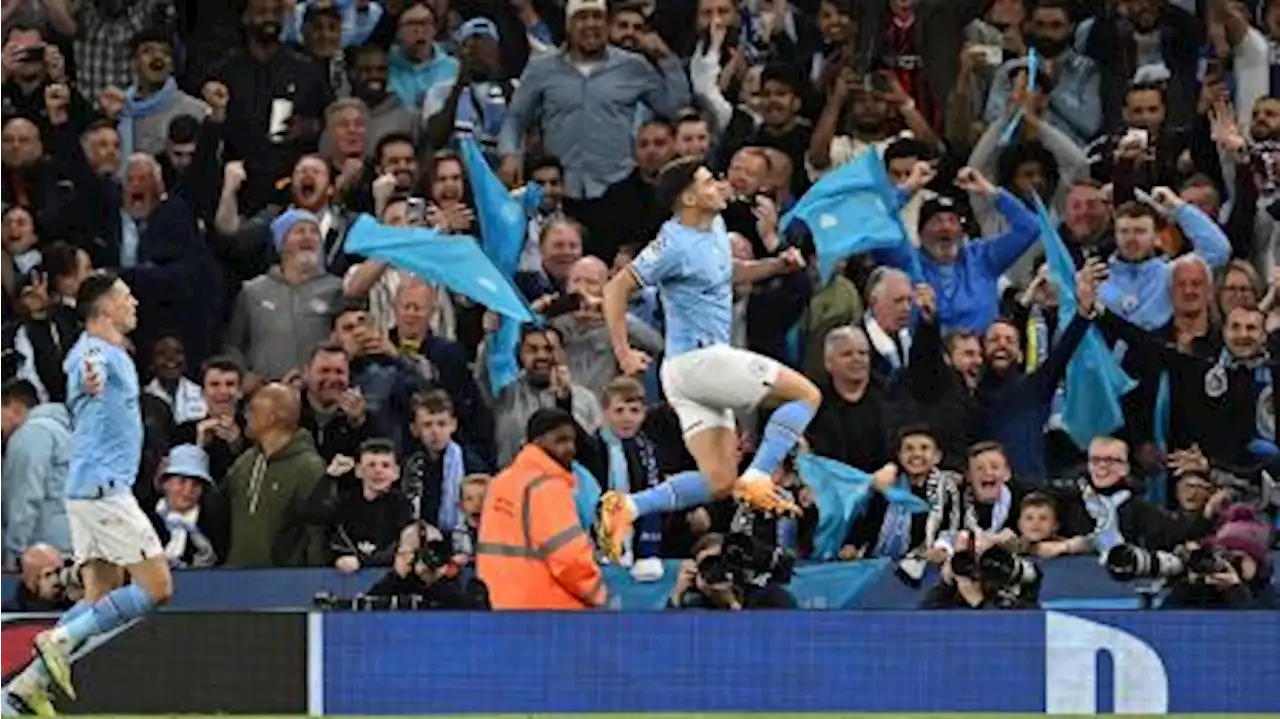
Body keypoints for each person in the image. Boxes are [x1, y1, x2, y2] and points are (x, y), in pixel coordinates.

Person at [597, 157, 820, 560]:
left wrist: (774, 265)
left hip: (690, 375)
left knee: (719, 481)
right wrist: (624, 352)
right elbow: (615, 289)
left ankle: (626, 507)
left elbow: (724, 271)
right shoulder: (673, 242)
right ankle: (758, 476)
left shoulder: (715, 227)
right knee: (805, 395)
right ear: (688, 197)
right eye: (708, 182)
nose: (720, 185)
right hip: (700, 360)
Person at [3, 272, 173, 715]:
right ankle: (57, 640)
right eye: (125, 296)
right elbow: (87, 367)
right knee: (157, 588)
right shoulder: (96, 352)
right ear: (105, 309)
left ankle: (21, 690)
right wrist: (93, 375)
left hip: (87, 491)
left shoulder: (100, 350)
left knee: (98, 597)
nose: (134, 301)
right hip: (104, 491)